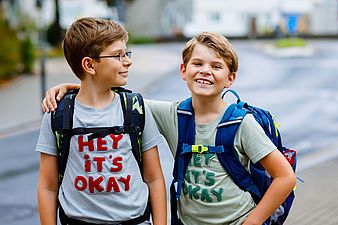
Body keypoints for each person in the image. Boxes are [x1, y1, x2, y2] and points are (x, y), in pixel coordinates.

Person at [42, 32, 296, 225]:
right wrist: (71, 87)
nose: (205, 71)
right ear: (183, 71)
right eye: (197, 64)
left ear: (230, 78)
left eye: (216, 66)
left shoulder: (242, 124)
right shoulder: (172, 114)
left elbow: (285, 178)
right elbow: (109, 96)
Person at [36, 17, 167, 225]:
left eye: (126, 53)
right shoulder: (57, 114)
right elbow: (47, 186)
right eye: (117, 55)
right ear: (89, 64)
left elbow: (154, 178)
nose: (128, 61)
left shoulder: (135, 108)